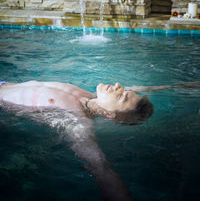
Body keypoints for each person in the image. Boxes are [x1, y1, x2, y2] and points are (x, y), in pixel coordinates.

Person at [0, 80, 153, 201]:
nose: (119, 85)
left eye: (122, 95)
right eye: (125, 90)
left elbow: (102, 168)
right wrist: (171, 86)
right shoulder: (90, 97)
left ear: (111, 114)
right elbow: (139, 89)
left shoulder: (77, 122)